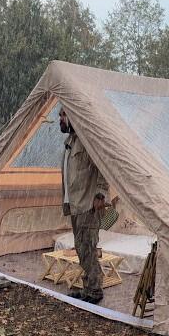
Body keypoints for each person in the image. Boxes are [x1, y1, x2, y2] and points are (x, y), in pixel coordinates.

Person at [59, 106, 109, 304]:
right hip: (75, 203)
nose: (61, 119)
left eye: (64, 115)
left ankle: (95, 291)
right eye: (60, 116)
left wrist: (101, 193)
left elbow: (103, 166)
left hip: (88, 203)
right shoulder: (70, 141)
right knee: (81, 248)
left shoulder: (88, 140)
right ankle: (88, 287)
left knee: (87, 247)